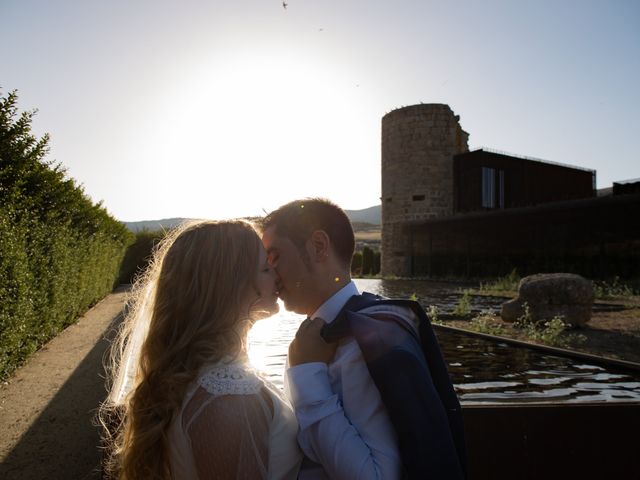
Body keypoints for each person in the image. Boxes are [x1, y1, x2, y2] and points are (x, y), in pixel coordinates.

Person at [261, 198, 466, 480]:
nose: (271, 274)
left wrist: (307, 374)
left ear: (318, 246)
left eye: (274, 257)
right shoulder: (337, 329)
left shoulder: (361, 342)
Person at [99, 220, 302, 479]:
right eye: (265, 268)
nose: (277, 275)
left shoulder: (198, 376)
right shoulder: (228, 398)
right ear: (230, 285)